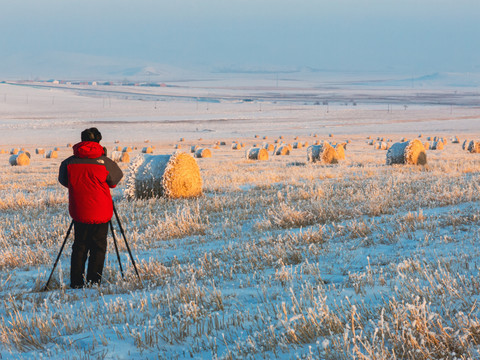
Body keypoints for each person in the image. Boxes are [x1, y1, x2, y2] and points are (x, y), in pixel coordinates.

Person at [58, 128, 123, 288]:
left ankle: (76, 283)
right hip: (101, 211)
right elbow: (114, 181)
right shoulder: (105, 162)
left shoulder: (68, 162)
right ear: (99, 141)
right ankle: (94, 282)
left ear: (81, 140)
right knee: (98, 247)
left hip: (79, 211)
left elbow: (65, 181)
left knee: (79, 246)